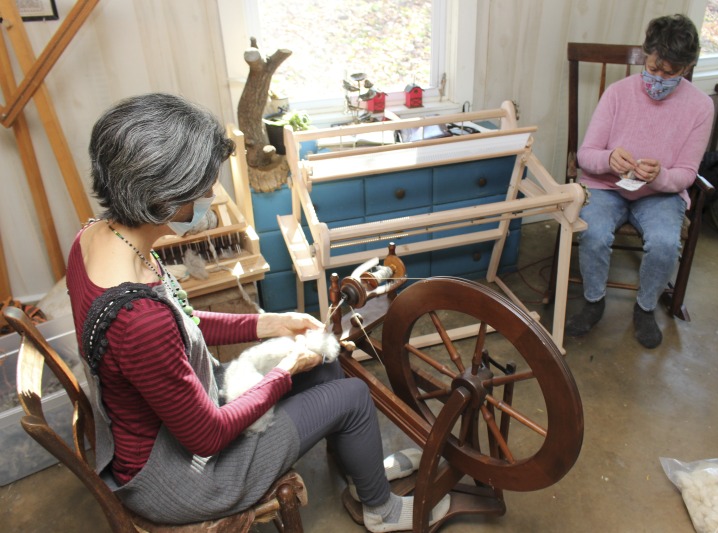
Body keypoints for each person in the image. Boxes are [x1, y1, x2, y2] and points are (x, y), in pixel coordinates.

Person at [66, 93, 449, 531]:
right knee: (354, 395)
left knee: (325, 367)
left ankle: (366, 475)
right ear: (163, 194)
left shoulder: (95, 238)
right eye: (203, 184)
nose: (211, 192)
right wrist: (284, 368)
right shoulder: (137, 317)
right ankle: (381, 511)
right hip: (184, 476)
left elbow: (176, 325)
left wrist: (269, 323)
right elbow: (206, 434)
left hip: (181, 420)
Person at [564, 14, 714, 349]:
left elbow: (687, 174)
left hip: (661, 195)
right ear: (646, 54)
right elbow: (586, 155)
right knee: (593, 232)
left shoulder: (701, 107)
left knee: (664, 243)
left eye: (670, 72)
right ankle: (593, 301)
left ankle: (645, 308)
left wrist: (660, 176)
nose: (658, 77)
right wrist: (608, 158)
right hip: (606, 186)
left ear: (687, 67)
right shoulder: (618, 94)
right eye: (654, 66)